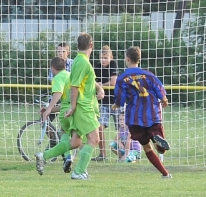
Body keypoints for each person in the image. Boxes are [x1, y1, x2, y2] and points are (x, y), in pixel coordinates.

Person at [112, 46, 171, 178]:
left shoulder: (122, 78)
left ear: (127, 59)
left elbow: (120, 99)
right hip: (153, 114)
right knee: (161, 149)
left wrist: (116, 104)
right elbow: (159, 89)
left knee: (147, 148)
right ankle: (157, 140)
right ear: (139, 59)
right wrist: (164, 99)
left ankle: (165, 174)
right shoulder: (149, 75)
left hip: (135, 118)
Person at [65, 32, 104, 180]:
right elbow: (74, 86)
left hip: (85, 106)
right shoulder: (82, 62)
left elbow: (85, 82)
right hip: (82, 106)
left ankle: (80, 169)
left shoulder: (80, 61)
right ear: (91, 46)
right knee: (94, 139)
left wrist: (99, 89)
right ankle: (78, 171)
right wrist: (73, 106)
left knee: (77, 141)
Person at [35, 57, 74, 174]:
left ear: (52, 68)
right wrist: (49, 109)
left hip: (66, 112)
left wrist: (49, 108)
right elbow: (65, 103)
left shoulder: (57, 78)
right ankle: (68, 158)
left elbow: (58, 93)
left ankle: (46, 156)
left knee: (64, 133)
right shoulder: (70, 75)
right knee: (75, 138)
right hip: (75, 110)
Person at [92, 45, 119, 161]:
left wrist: (100, 85)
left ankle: (126, 152)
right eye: (101, 58)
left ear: (111, 57)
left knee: (122, 128)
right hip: (103, 103)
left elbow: (113, 82)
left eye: (105, 58)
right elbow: (92, 82)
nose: (103, 60)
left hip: (116, 102)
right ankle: (103, 154)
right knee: (100, 127)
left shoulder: (113, 64)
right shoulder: (96, 67)